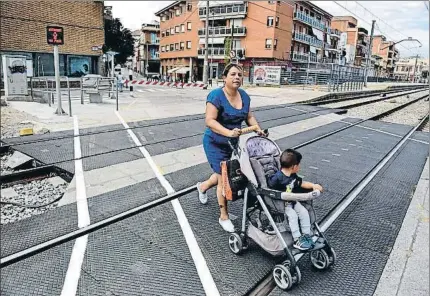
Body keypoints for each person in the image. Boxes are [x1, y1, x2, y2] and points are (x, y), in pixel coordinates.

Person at [196, 63, 267, 233]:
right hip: (215, 143)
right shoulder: (216, 96)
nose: (237, 77)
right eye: (233, 74)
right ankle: (224, 216)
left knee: (224, 172)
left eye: (239, 75)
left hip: (233, 143)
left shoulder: (244, 95)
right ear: (224, 77)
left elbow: (249, 116)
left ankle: (203, 187)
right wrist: (228, 132)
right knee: (223, 177)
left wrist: (257, 129)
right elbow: (210, 121)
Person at [267, 149, 323, 250]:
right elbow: (269, 187)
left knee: (304, 212)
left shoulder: (293, 176)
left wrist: (313, 185)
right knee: (293, 216)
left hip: (292, 201)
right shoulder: (277, 177)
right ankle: (297, 238)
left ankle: (306, 235)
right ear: (294, 166)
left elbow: (301, 183)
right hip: (281, 203)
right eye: (299, 164)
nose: (300, 166)